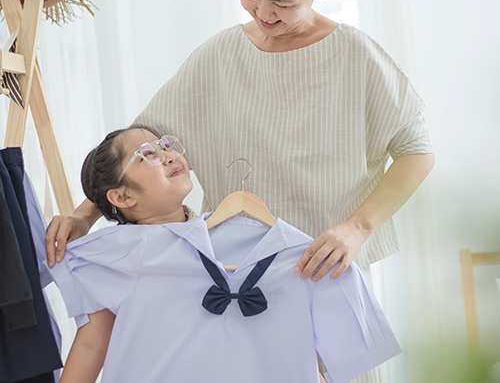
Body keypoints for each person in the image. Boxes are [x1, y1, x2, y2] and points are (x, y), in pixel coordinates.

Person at [46, 0, 434, 382]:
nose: (263, 13)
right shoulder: (220, 56)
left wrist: (357, 228)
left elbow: (417, 152)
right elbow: (143, 148)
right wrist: (86, 215)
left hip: (321, 275)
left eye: (282, 2)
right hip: (229, 288)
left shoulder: (356, 56)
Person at [49, 125, 401, 383]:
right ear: (123, 197)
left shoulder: (298, 256)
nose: (168, 154)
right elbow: (91, 347)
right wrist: (80, 219)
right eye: (148, 154)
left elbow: (318, 365)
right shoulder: (119, 254)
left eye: (166, 144)